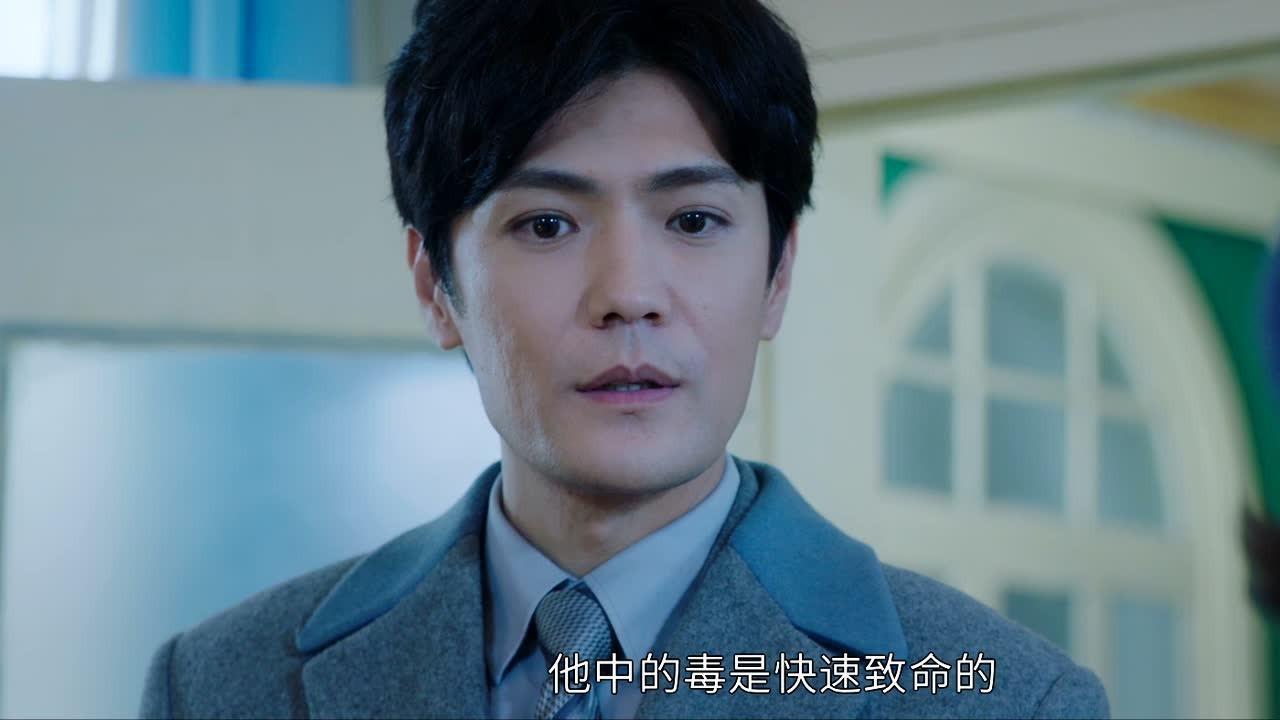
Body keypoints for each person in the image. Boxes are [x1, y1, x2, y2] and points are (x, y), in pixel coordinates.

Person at [139, 1, 1110, 717]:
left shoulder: (1006, 699)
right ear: (436, 284)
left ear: (777, 275)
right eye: (547, 223)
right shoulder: (221, 684)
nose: (628, 294)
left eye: (693, 220)